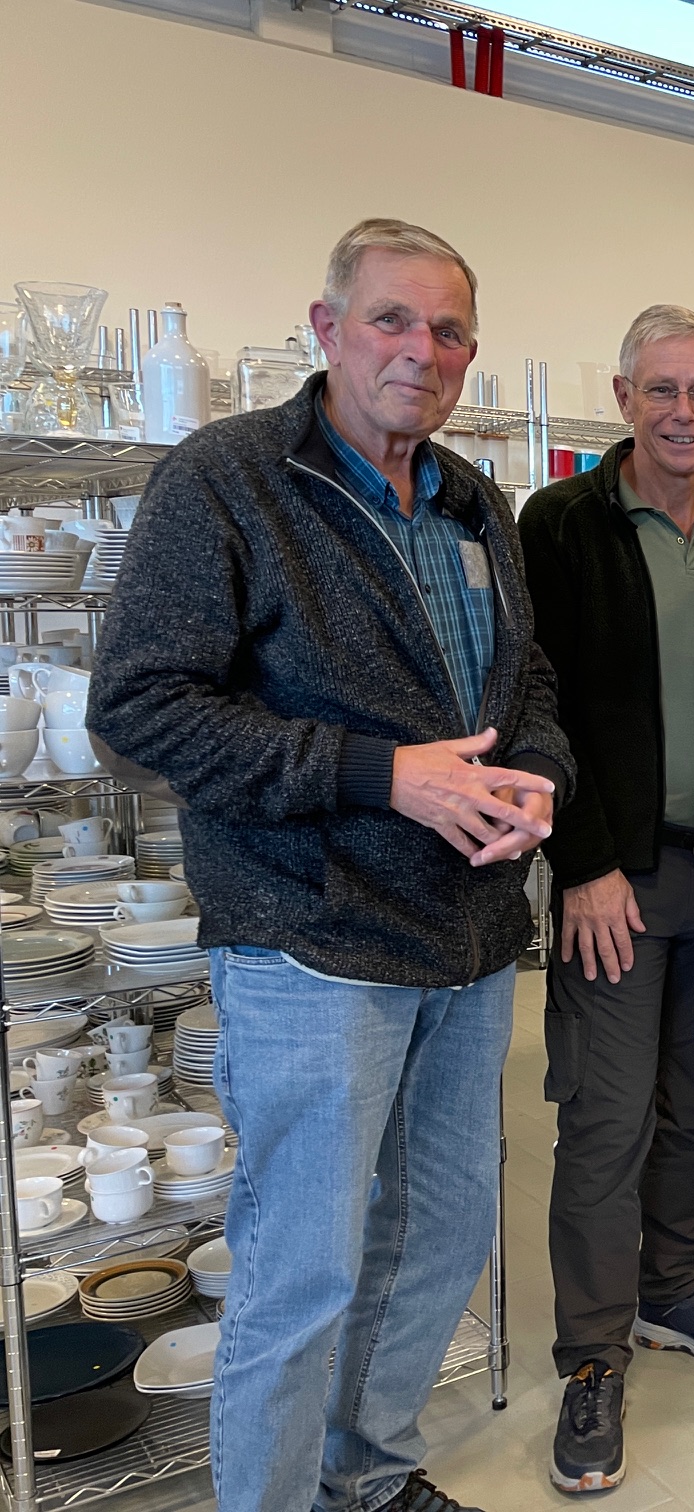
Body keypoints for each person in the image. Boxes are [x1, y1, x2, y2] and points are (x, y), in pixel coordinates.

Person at [88, 218, 573, 1512]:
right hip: (310, 946)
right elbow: (142, 709)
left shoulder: (477, 505)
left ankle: (370, 1469)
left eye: (450, 329)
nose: (423, 350)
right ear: (327, 329)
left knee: (443, 1240)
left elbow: (527, 690)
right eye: (392, 321)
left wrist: (541, 780)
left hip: (468, 946)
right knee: (302, 1271)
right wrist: (382, 772)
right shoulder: (230, 480)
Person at [520, 305, 694, 1492]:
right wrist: (580, 863)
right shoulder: (561, 524)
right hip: (617, 876)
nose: (684, 413)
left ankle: (676, 1290)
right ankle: (592, 1356)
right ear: (622, 397)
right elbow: (537, 707)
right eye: (662, 391)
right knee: (607, 1117)